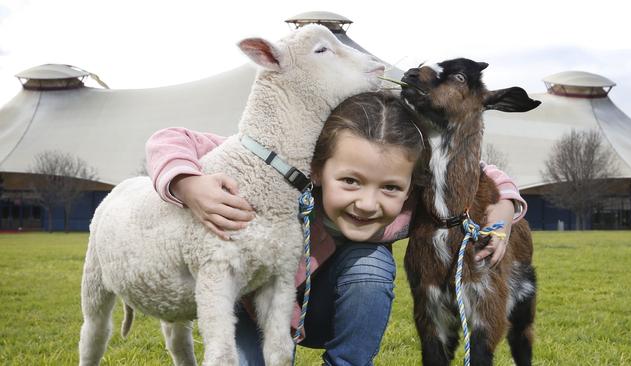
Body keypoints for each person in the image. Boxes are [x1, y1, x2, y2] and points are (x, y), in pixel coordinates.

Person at [145, 91, 527, 365]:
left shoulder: (416, 198)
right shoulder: (282, 169)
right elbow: (172, 138)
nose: (367, 203)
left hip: (333, 307)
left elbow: (476, 173)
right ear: (317, 167)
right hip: (258, 305)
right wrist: (187, 183)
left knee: (371, 259)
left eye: (390, 187)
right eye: (350, 181)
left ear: (412, 182)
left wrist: (505, 204)